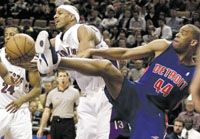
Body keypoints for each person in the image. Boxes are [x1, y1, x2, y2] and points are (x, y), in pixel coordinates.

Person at [35, 23, 200, 139]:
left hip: (154, 110)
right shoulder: (163, 45)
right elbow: (125, 53)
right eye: (179, 31)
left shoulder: (195, 72)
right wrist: (92, 50)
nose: (178, 33)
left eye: (184, 33)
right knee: (106, 67)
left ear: (193, 42)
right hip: (135, 93)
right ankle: (55, 60)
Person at [36, 4, 113, 139]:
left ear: (72, 17)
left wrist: (56, 61)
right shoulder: (58, 41)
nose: (55, 16)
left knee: (106, 136)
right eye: (55, 13)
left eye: (60, 13)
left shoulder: (83, 29)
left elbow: (85, 61)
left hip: (108, 92)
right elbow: (32, 51)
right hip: (87, 95)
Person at [0, 26, 41, 139]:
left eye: (12, 34)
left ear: (20, 37)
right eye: (6, 35)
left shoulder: (30, 59)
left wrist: (21, 101)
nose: (8, 37)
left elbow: (37, 89)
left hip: (20, 111)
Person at [37, 70, 79, 139]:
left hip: (68, 123)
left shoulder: (75, 92)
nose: (62, 78)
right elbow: (46, 111)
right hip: (55, 123)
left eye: (64, 76)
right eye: (60, 76)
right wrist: (41, 128)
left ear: (68, 77)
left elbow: (78, 110)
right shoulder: (51, 93)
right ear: (57, 78)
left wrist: (81, 124)